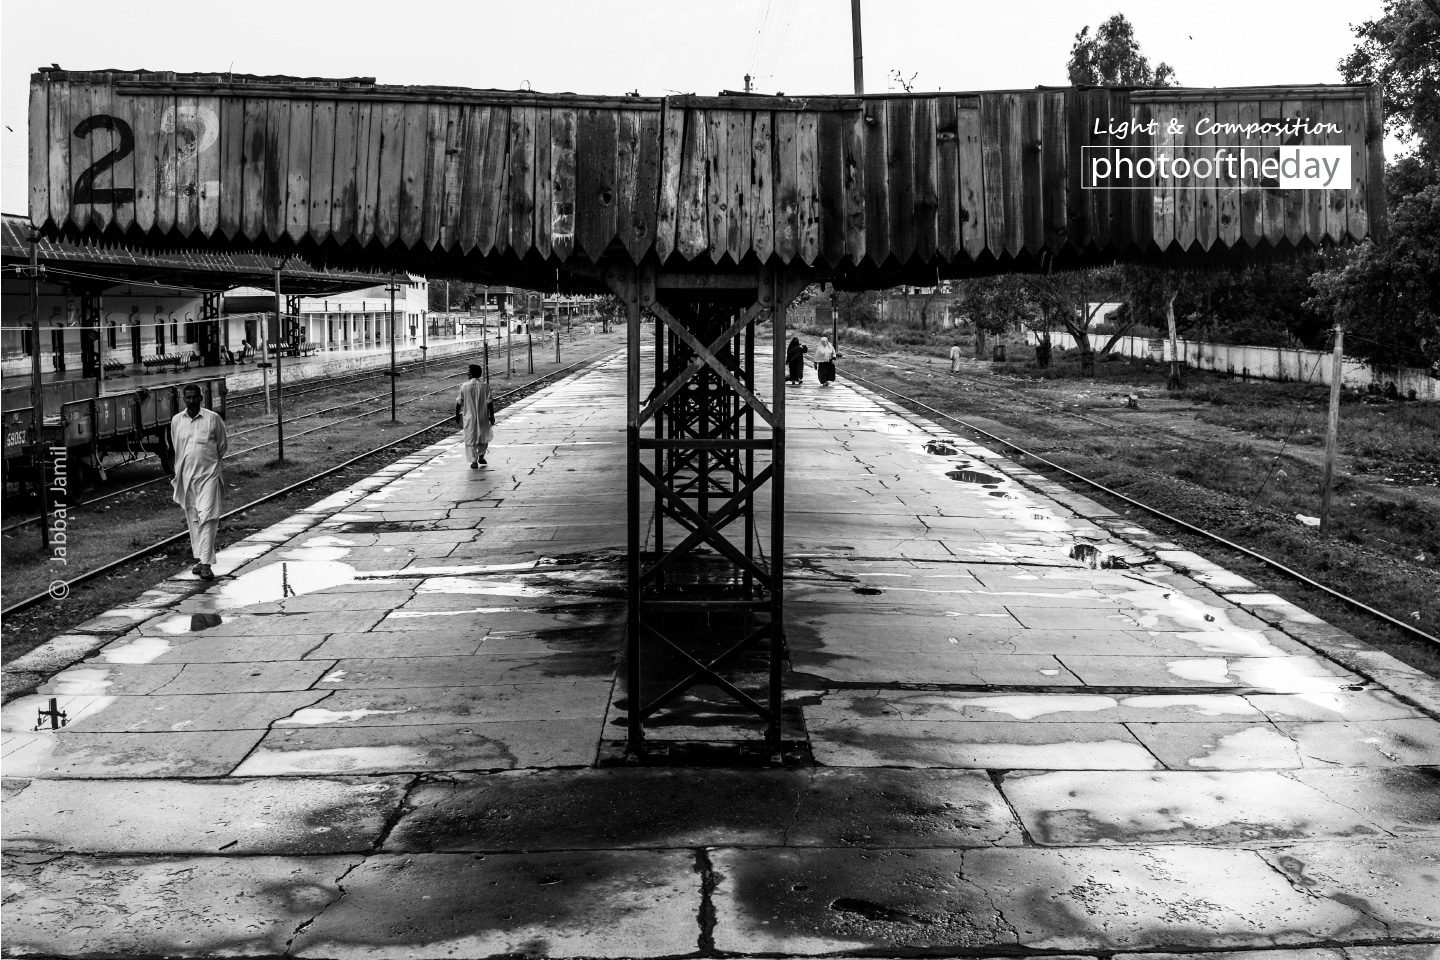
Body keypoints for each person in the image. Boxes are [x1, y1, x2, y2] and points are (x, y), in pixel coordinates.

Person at [170, 384, 228, 580]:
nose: (192, 401)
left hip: (208, 476)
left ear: (201, 398)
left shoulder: (213, 419)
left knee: (209, 517)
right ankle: (201, 558)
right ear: (184, 399)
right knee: (194, 518)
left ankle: (206, 564)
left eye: (195, 397)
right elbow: (175, 447)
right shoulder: (177, 421)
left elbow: (222, 447)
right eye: (188, 398)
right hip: (187, 478)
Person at [456, 363, 495, 468]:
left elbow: (459, 402)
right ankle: (481, 455)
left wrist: (457, 415)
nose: (467, 373)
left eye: (468, 371)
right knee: (484, 436)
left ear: (472, 373)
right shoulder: (485, 386)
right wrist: (492, 415)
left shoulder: (464, 386)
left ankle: (474, 460)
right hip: (483, 416)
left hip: (469, 417)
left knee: (470, 438)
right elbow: (489, 402)